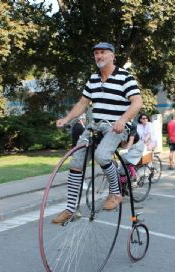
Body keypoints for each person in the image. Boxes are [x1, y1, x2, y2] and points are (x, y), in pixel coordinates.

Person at [51, 42, 143, 224]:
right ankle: (71, 208)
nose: (99, 56)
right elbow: (83, 103)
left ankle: (116, 193)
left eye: (103, 53)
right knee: (76, 162)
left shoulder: (125, 77)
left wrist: (123, 120)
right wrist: (67, 118)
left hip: (116, 127)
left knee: (102, 155)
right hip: (95, 126)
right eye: (96, 54)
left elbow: (137, 102)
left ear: (112, 56)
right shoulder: (93, 79)